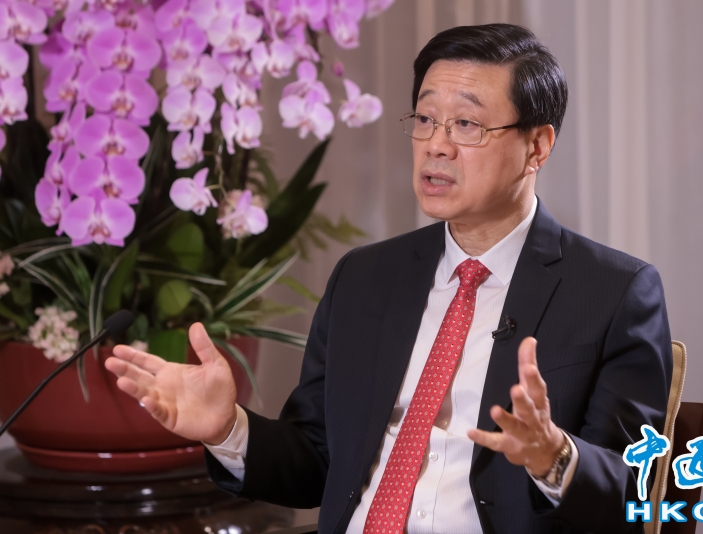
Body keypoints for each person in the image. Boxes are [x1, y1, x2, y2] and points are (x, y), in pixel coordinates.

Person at [106, 24, 672, 533]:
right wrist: (228, 429)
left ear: (537, 147)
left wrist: (554, 457)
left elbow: (635, 494)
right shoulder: (364, 278)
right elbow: (316, 463)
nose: (437, 145)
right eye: (425, 119)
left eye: (467, 124)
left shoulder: (612, 292)